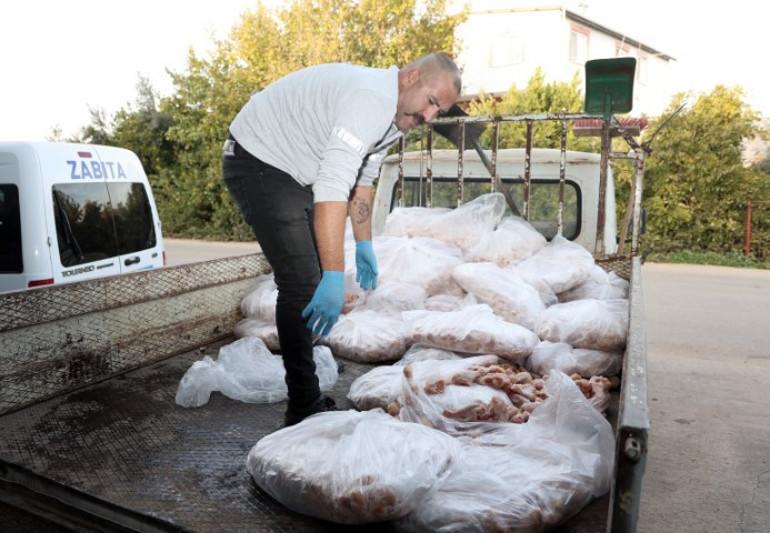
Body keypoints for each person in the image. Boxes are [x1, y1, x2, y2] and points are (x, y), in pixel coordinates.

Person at [222, 53, 461, 425]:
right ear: (411, 77)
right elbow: (333, 183)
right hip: (258, 159)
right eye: (432, 102)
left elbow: (361, 183)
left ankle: (305, 392)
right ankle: (303, 405)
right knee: (302, 283)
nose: (429, 118)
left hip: (293, 171)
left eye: (438, 112)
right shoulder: (371, 99)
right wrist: (333, 273)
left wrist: (364, 244)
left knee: (310, 279)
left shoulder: (395, 120)